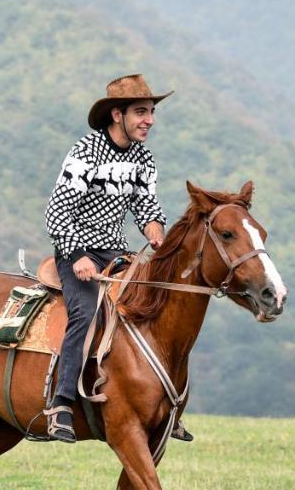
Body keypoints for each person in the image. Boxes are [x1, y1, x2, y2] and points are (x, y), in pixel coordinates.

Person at [42, 74, 192, 444]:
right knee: (85, 312)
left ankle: (167, 406)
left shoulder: (143, 157)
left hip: (117, 254)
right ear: (116, 115)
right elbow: (57, 212)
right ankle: (60, 402)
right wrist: (76, 255)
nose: (150, 120)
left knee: (158, 308)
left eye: (152, 112)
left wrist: (156, 232)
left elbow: (146, 206)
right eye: (141, 112)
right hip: (77, 251)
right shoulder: (85, 152)